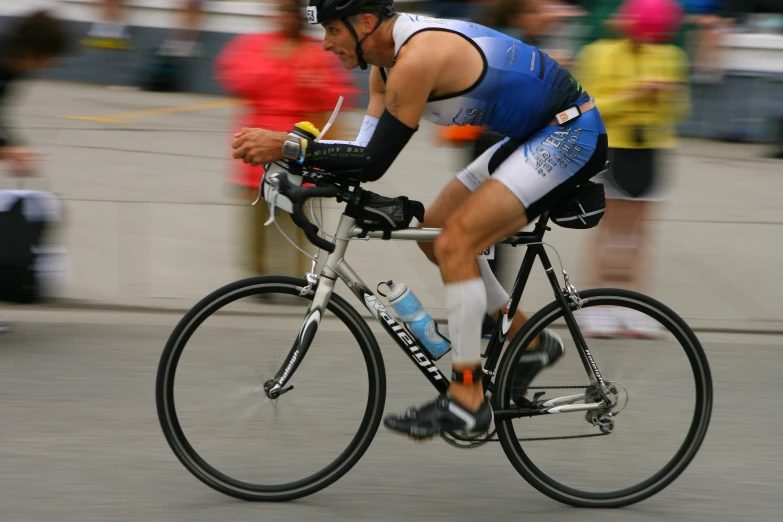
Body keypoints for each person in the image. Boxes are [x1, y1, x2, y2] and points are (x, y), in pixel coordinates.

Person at [230, 0, 608, 439]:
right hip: (531, 135)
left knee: (455, 244)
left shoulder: (415, 59)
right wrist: (306, 170)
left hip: (568, 133)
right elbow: (362, 153)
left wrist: (288, 148)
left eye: (332, 30)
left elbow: (372, 163)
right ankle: (533, 342)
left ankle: (467, 399)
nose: (326, 44)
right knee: (432, 233)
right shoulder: (383, 66)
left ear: (365, 23)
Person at [215, 0, 360, 281]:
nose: (284, 18)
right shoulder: (254, 44)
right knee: (257, 215)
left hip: (300, 149)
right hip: (258, 146)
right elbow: (236, 79)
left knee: (300, 217)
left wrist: (310, 84)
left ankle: (298, 278)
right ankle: (257, 279)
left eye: (288, 13)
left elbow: (338, 93)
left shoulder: (316, 52)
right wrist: (289, 73)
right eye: (279, 12)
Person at [572, 0, 689, 338]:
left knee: (639, 236)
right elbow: (588, 106)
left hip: (653, 148)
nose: (648, 41)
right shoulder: (598, 53)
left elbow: (679, 111)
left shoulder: (671, 57)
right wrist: (634, 95)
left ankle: (633, 307)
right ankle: (596, 306)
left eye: (655, 35)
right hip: (614, 149)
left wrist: (664, 96)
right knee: (610, 234)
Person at [0, 10, 69, 332]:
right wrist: (8, 149)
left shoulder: (11, 65)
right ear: (33, 51)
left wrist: (12, 147)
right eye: (48, 58)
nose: (48, 66)